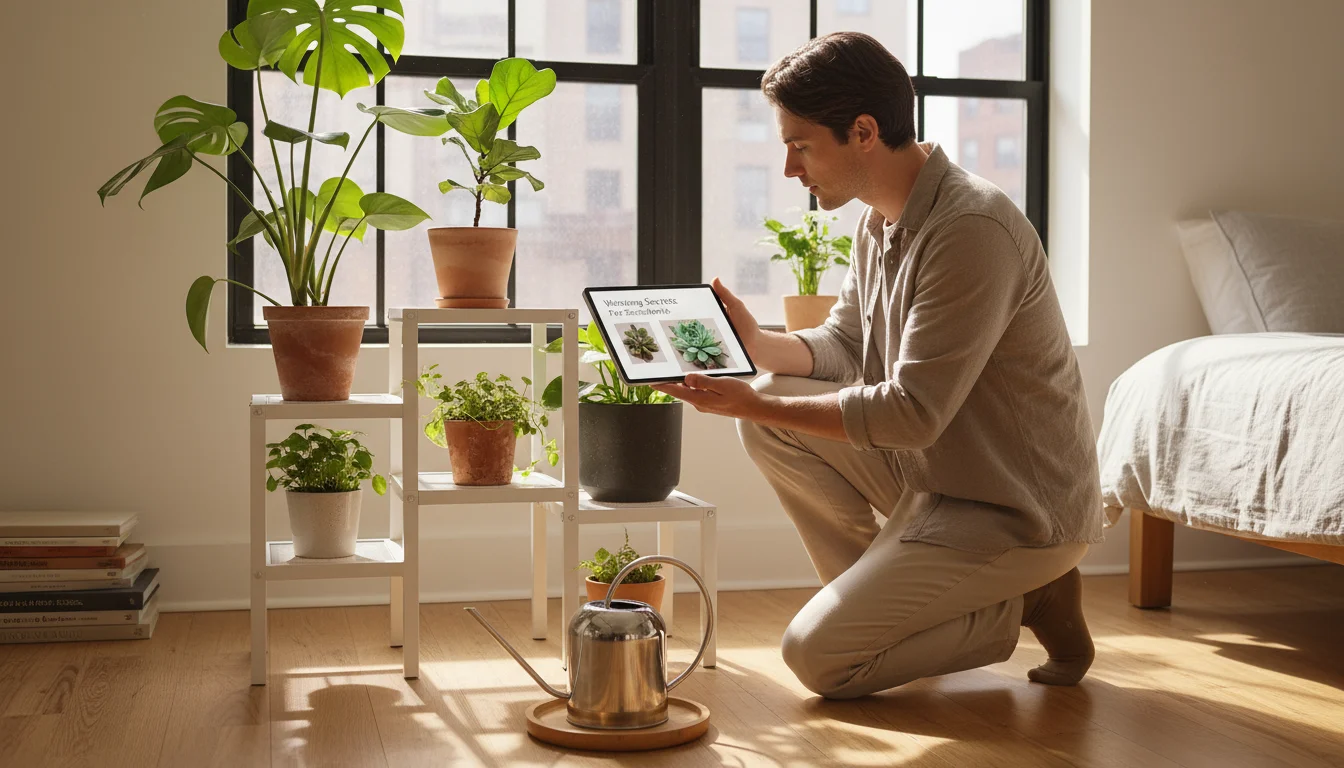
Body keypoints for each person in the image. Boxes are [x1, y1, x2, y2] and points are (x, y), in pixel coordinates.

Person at [651, 31, 1104, 699]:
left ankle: (1024, 599)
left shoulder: (971, 229)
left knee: (820, 660)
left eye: (800, 145)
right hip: (939, 481)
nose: (788, 169)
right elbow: (844, 346)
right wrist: (754, 345)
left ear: (863, 131)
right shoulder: (881, 220)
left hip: (1015, 508)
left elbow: (912, 412)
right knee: (772, 412)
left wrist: (753, 401)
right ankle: (896, 608)